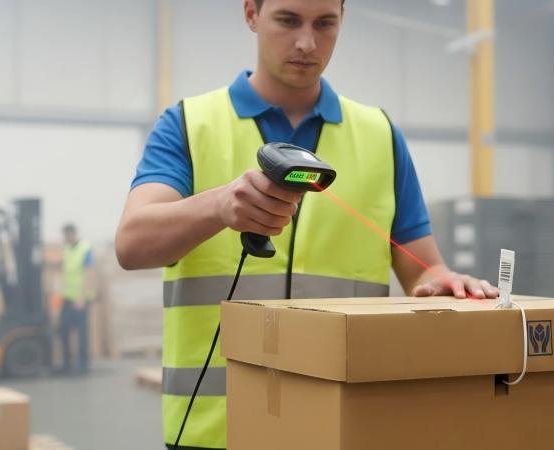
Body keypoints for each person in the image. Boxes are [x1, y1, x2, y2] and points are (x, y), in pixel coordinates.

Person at [115, 0, 499, 448]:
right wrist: (218, 206)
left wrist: (449, 283)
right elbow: (132, 244)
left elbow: (424, 270)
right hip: (215, 429)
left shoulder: (379, 135)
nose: (306, 43)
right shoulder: (188, 124)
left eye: (325, 24)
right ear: (251, 15)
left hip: (345, 427)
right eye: (288, 20)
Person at [59, 223, 95, 375]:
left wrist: (82, 297)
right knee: (63, 330)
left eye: (67, 235)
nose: (65, 239)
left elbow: (89, 273)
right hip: (68, 298)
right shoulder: (66, 250)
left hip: (81, 299)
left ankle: (83, 365)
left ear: (72, 234)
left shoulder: (85, 249)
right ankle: (67, 364)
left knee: (82, 334)